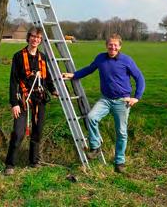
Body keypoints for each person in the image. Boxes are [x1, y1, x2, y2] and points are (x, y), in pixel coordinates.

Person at [62, 33, 145, 173]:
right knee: (91, 117)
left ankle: (120, 162)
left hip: (122, 102)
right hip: (105, 99)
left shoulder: (126, 60)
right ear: (106, 45)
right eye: (110, 44)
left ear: (120, 46)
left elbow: (139, 78)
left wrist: (136, 97)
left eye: (115, 45)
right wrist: (74, 75)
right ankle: (95, 146)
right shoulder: (100, 58)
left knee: (121, 133)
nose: (112, 47)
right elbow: (89, 69)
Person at [4, 26, 58, 175]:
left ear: (41, 41)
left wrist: (53, 90)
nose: (36, 40)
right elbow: (13, 81)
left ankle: (33, 161)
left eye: (39, 38)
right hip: (23, 99)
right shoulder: (18, 56)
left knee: (37, 131)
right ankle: (10, 164)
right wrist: (14, 103)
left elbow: (47, 78)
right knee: (18, 132)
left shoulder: (43, 58)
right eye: (33, 36)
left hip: (39, 99)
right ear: (28, 37)